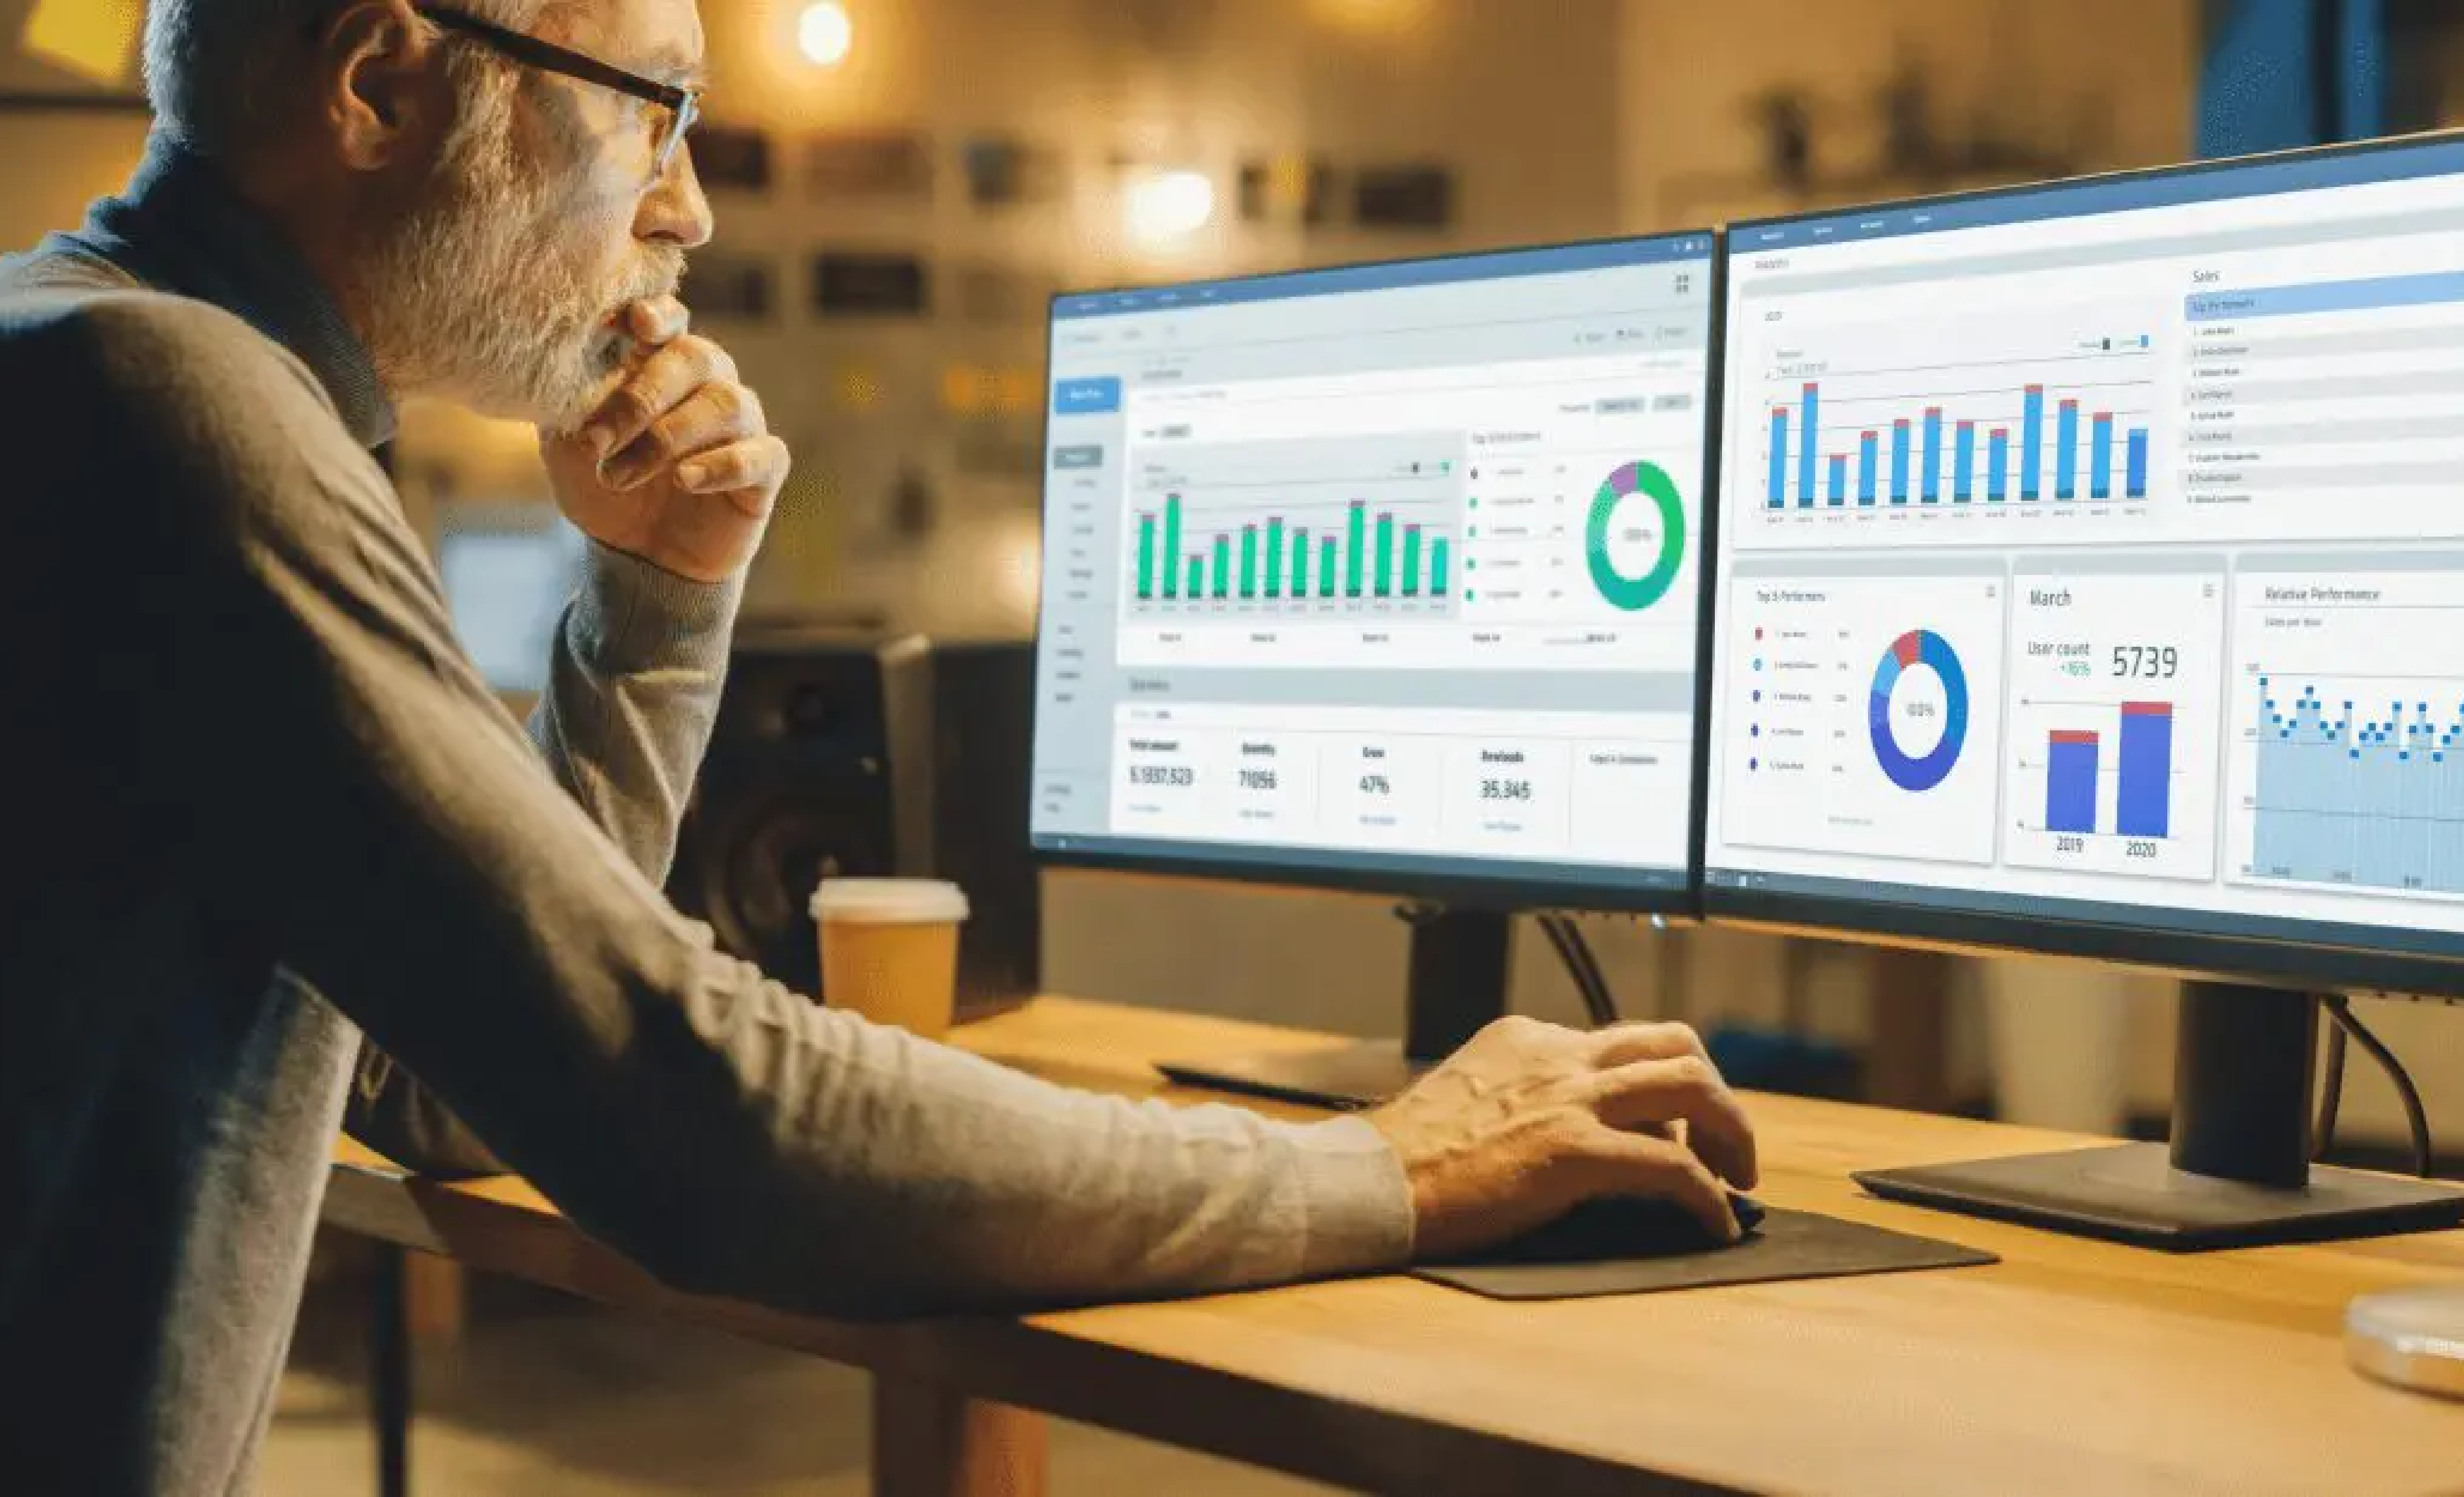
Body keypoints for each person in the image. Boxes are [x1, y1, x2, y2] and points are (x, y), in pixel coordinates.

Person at [0, 1, 1760, 1492]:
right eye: (659, 113)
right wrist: (1395, 1166)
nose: (688, 209)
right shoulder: (170, 416)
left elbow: (463, 1083)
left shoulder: (78, 353)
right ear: (385, 87)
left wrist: (659, 597)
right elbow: (688, 1117)